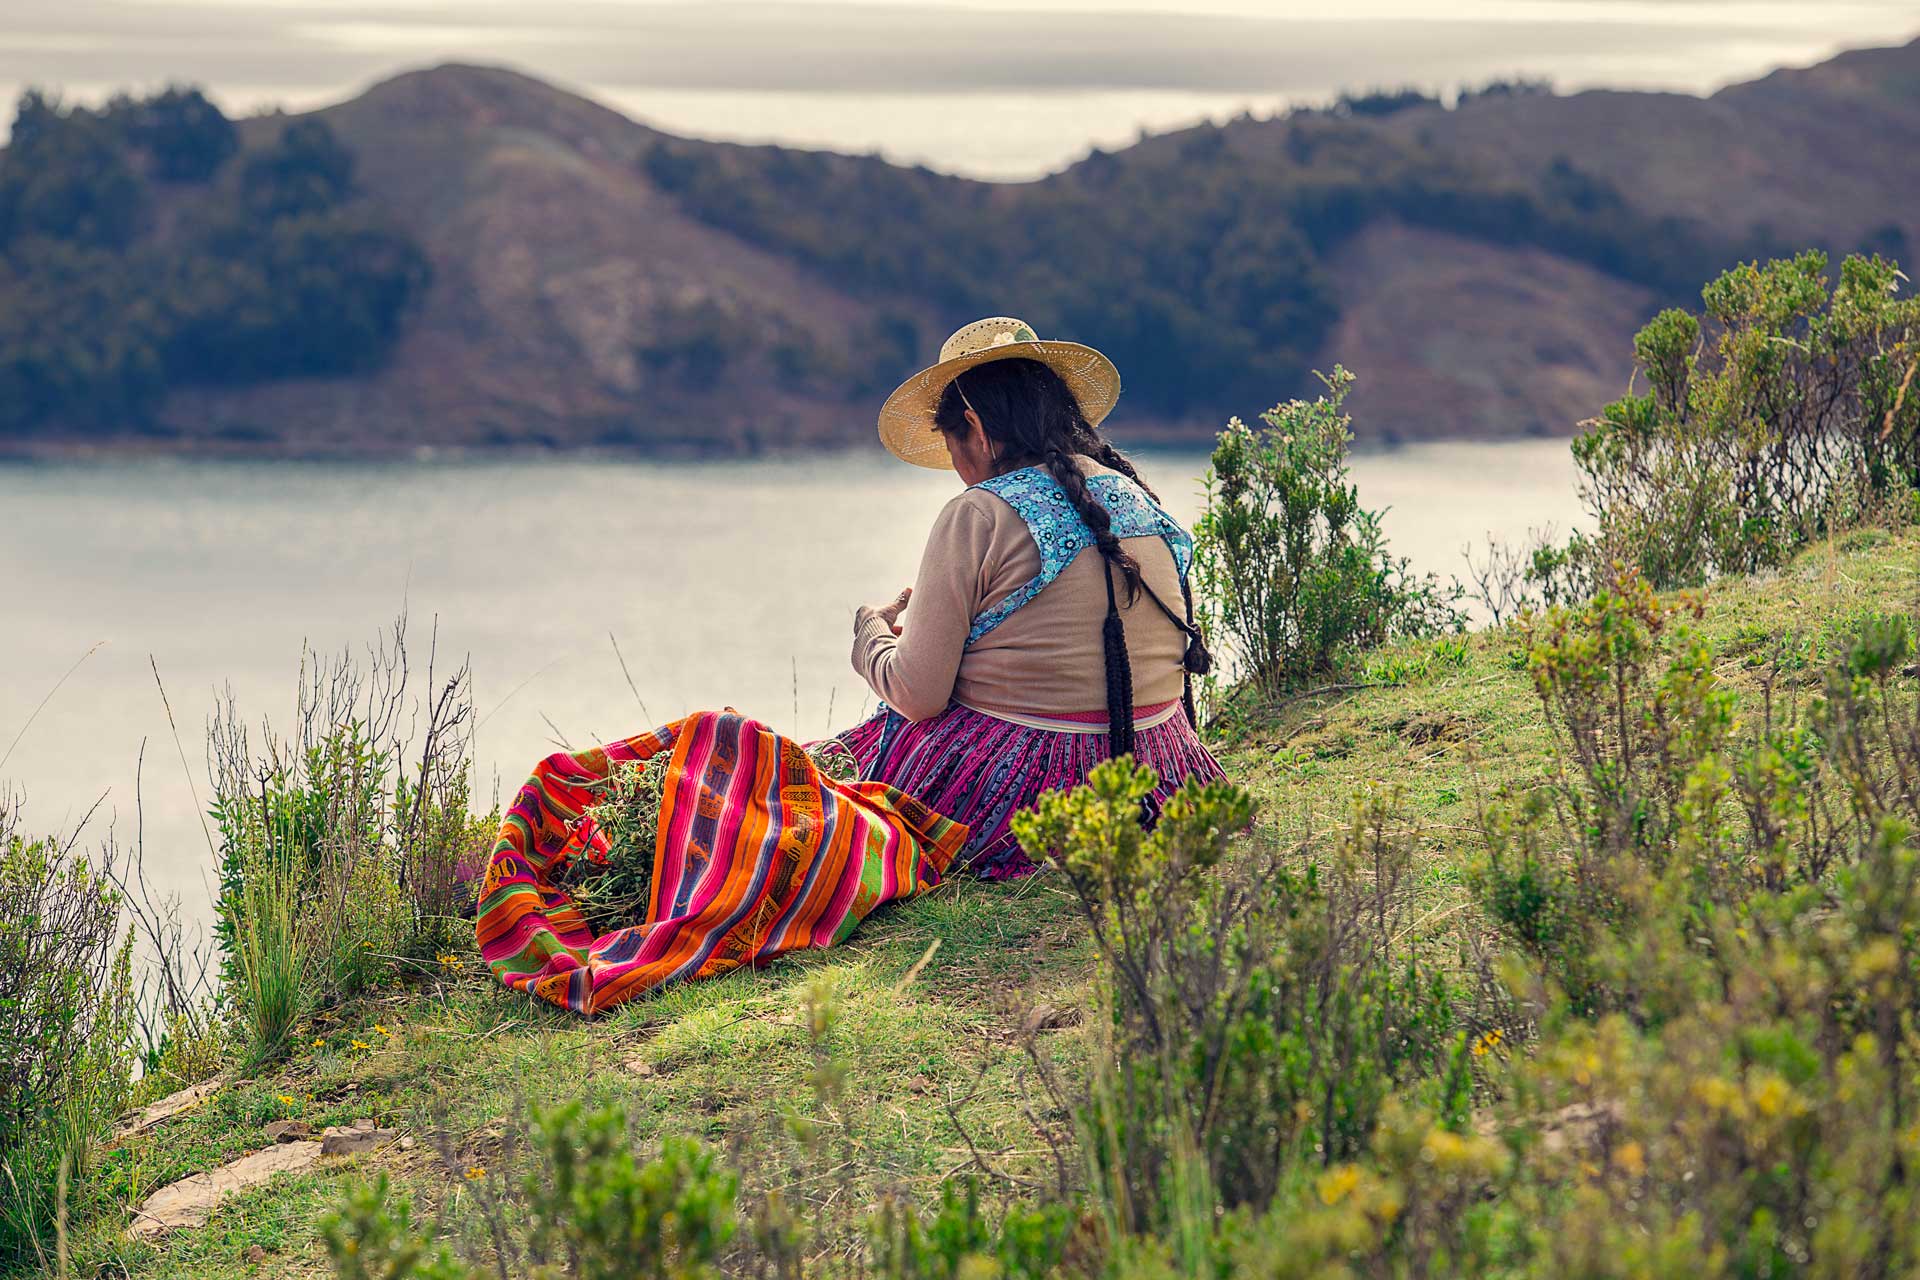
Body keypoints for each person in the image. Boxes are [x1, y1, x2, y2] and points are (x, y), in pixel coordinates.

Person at [836, 316, 1228, 879]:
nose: (956, 469)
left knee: (864, 744)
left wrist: (870, 631)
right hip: (1158, 769)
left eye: (951, 444)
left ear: (970, 423)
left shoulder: (977, 512)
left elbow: (917, 694)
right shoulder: (1135, 494)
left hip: (1035, 784)